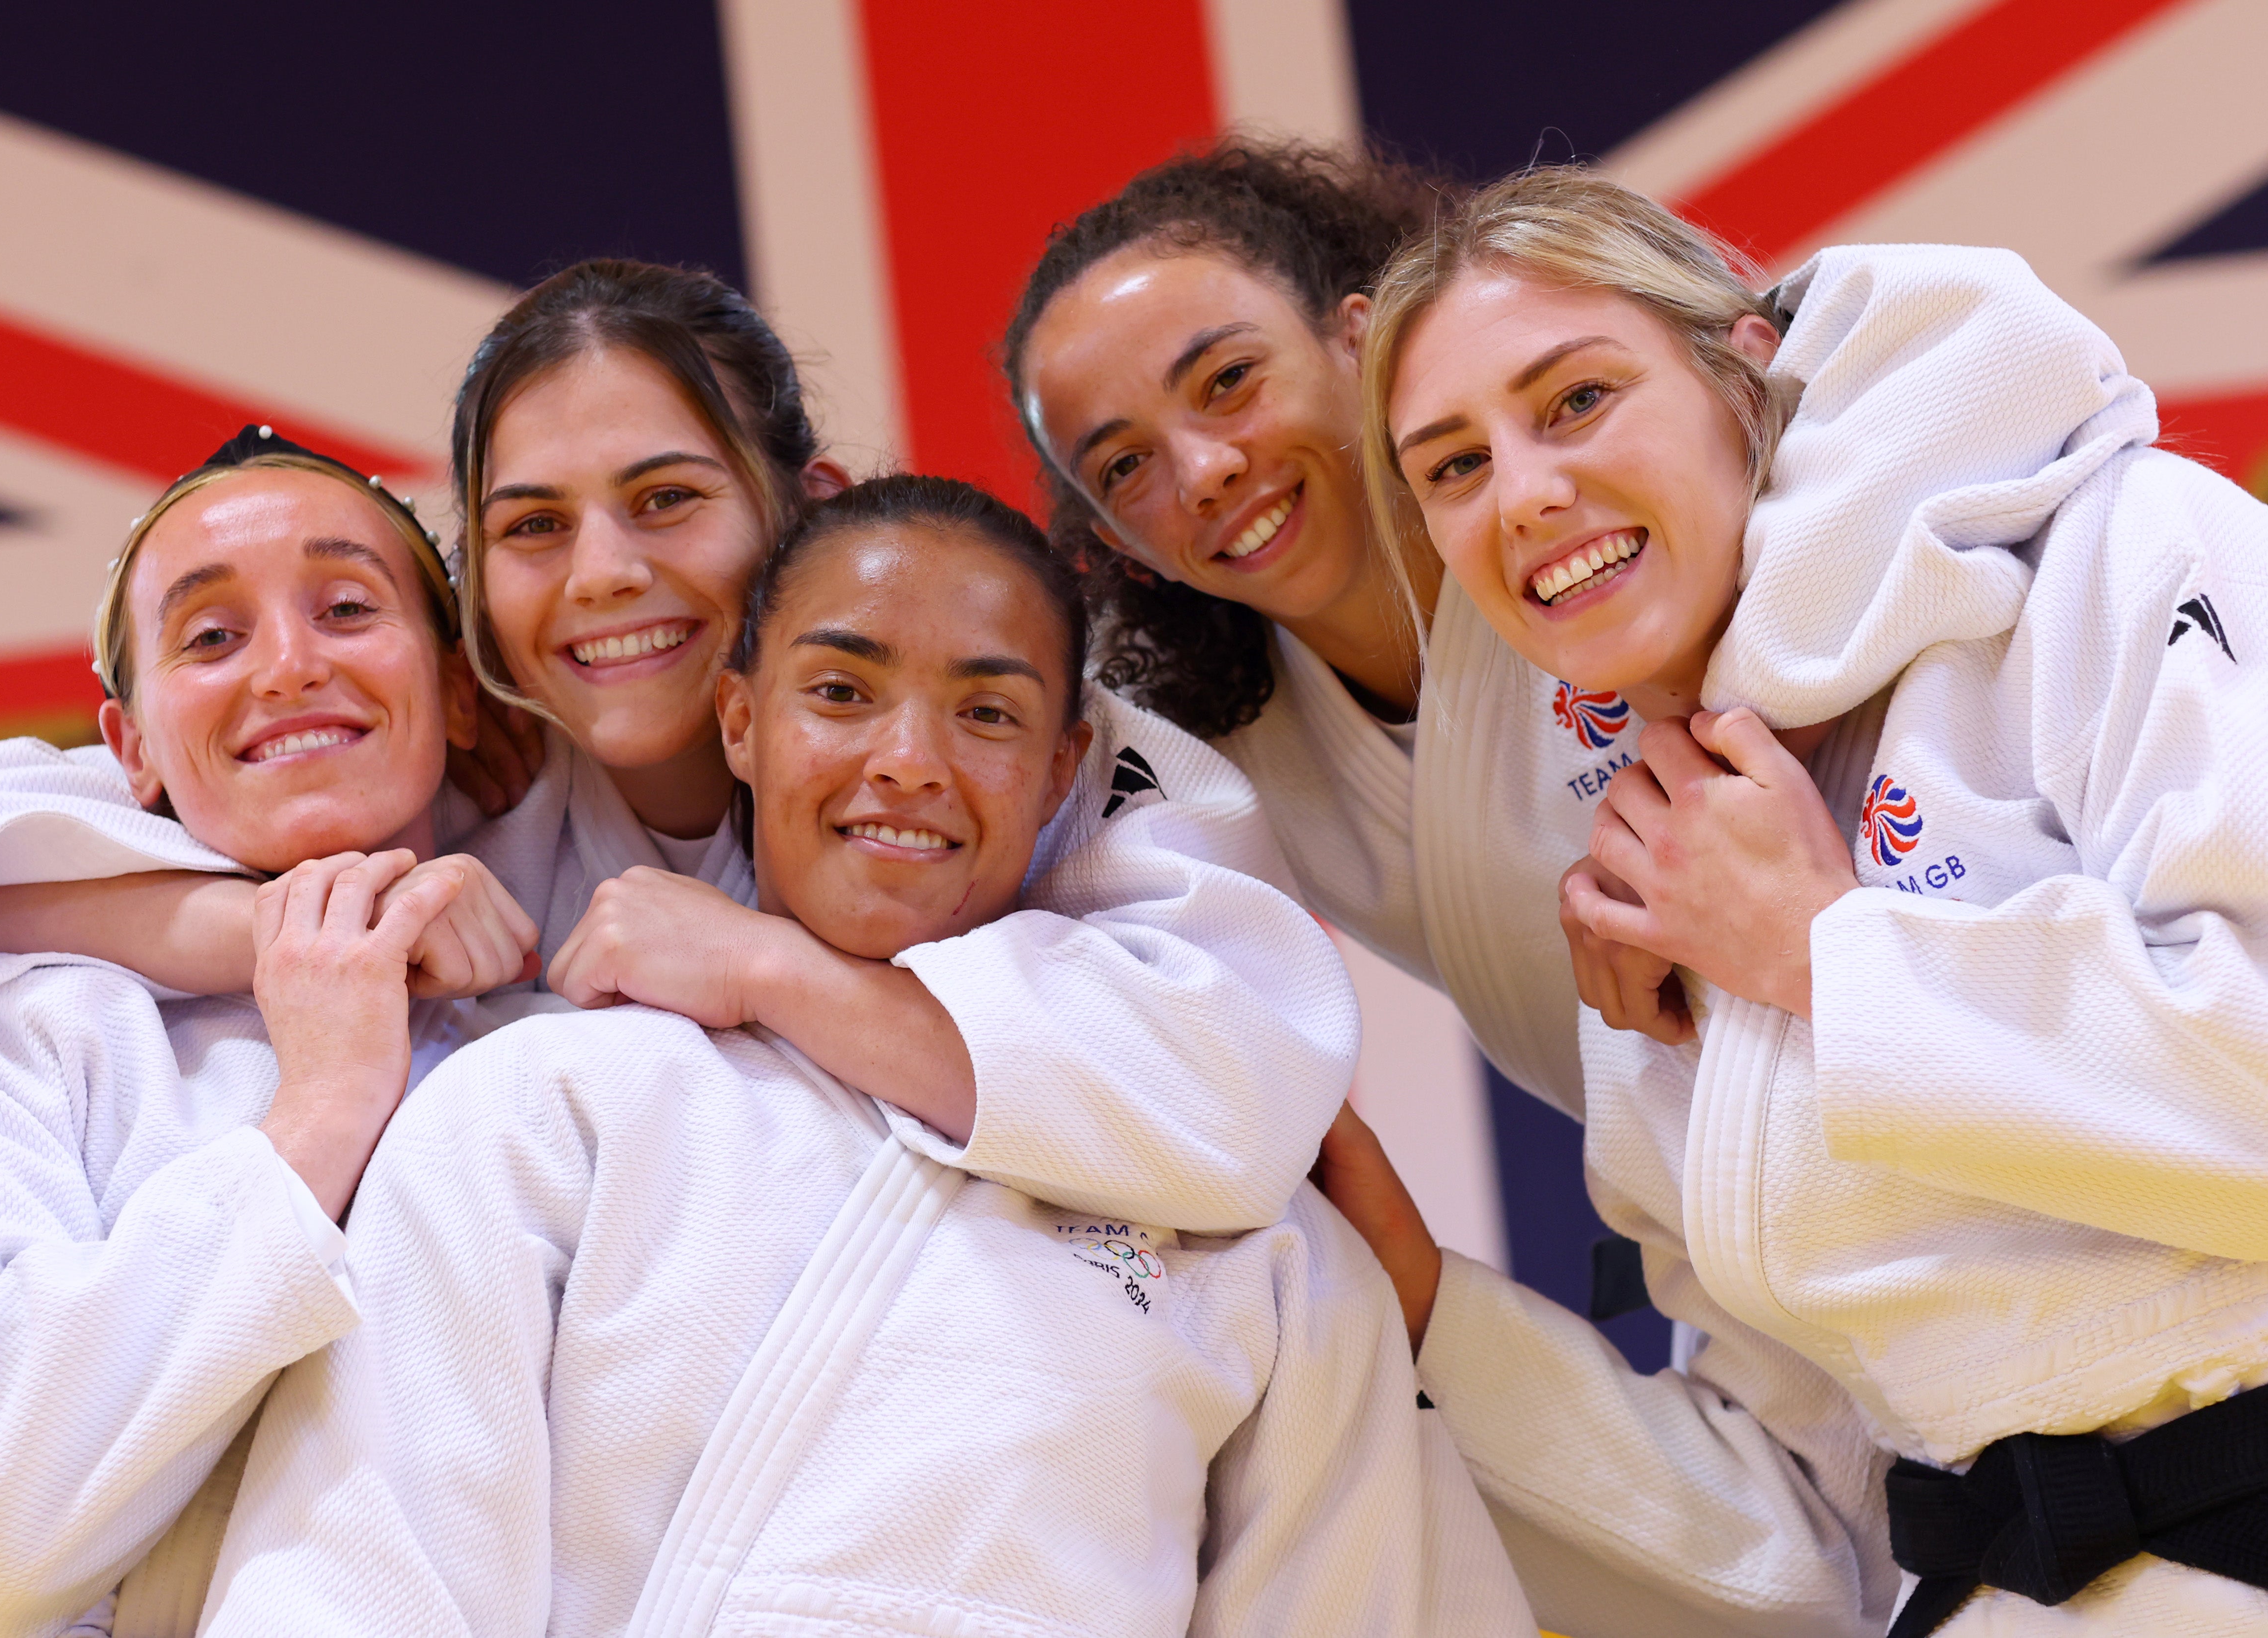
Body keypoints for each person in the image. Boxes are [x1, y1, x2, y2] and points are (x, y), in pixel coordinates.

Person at [192, 476, 1535, 1638]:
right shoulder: (545, 1107)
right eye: (840, 692)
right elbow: (354, 1586)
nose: (908, 762)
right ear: (739, 721)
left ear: (1069, 763)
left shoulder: (1255, 1241)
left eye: (988, 715)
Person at [0, 260, 1358, 1240]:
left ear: (811, 504)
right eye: (531, 529)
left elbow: (1234, 1095)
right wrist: (304, 931)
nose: (600, 577)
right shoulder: (462, 791)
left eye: (665, 501)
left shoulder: (1015, 749)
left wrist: (777, 973)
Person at [1352, 166, 2268, 1633]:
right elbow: (1802, 1511)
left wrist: (1831, 957)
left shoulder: (2123, 548)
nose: (1525, 490)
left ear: (1745, 361)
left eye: (1577, 400)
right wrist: (1425, 1316)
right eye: (1453, 465)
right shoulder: (1652, 859)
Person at [1008, 142, 1892, 1638]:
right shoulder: (1224, 748)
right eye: (1124, 464)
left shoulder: (1622, 535)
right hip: (1738, 1217)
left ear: (1363, 337)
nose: (1201, 470)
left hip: (1919, 1072)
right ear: (1106, 539)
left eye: (1227, 381)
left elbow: (1908, 344)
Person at [0, 428, 547, 1638]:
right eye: (212, 637)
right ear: (131, 749)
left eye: (347, 608)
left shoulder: (566, 1040)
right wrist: (317, 1116)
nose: (287, 666)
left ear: (459, 689)